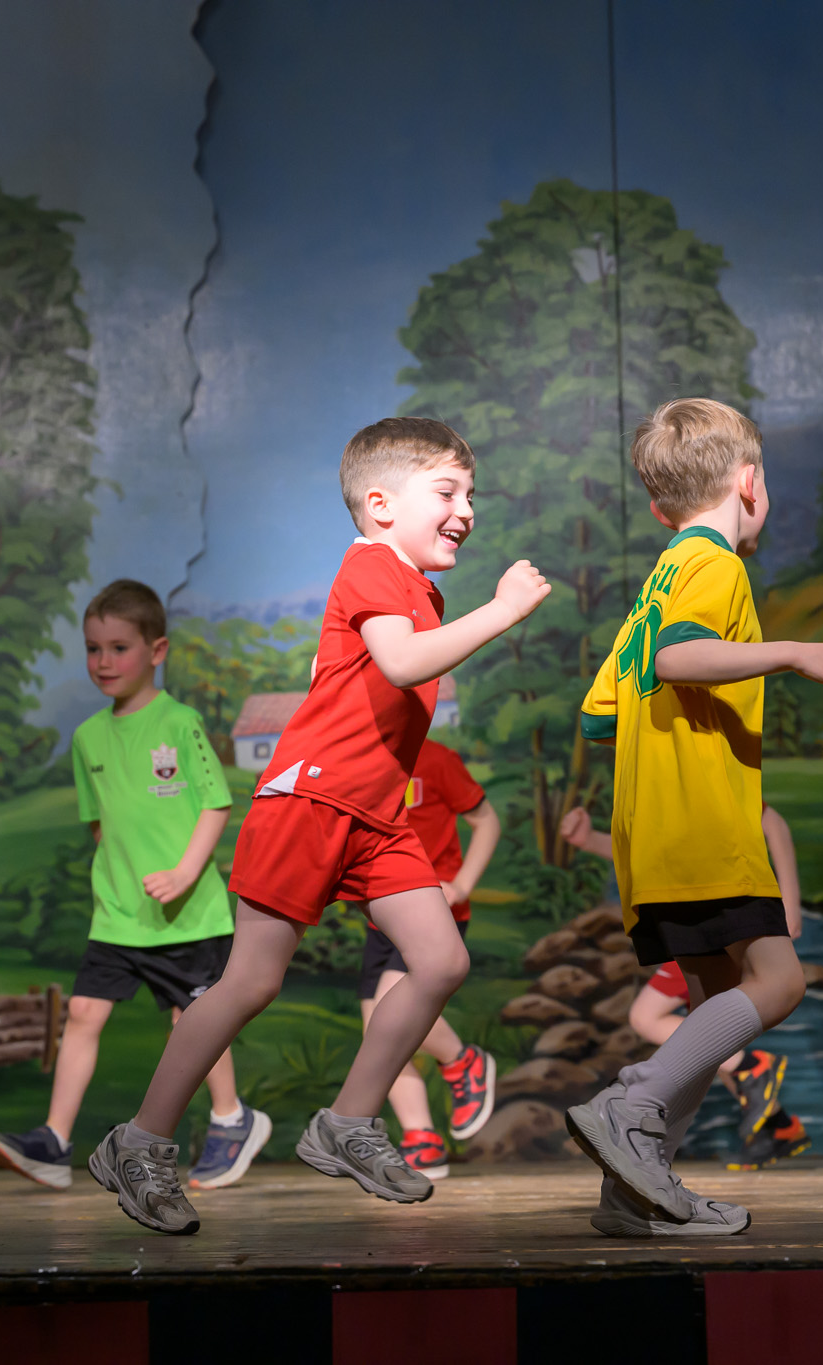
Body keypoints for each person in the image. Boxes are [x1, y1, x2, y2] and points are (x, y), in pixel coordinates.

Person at [90, 417, 550, 1235]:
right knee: (250, 983)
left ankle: (348, 1120)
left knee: (442, 959)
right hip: (311, 802)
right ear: (381, 503)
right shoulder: (372, 563)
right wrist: (504, 610)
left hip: (379, 814)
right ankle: (140, 1140)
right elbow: (402, 662)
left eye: (471, 494)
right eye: (448, 491)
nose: (467, 510)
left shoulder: (416, 588)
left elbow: (346, 673)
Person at [569, 396, 823, 1237]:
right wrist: (794, 651)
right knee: (781, 981)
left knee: (715, 1009)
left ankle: (635, 1190)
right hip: (703, 825)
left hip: (651, 839)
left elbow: (598, 713)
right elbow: (675, 657)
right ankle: (634, 1106)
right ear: (750, 482)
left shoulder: (659, 578)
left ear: (659, 506)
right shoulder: (713, 562)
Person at [0, 580, 269, 1194]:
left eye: (118, 648)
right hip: (116, 915)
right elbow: (100, 824)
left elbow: (216, 804)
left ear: (157, 650)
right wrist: (117, 881)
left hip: (187, 916)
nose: (103, 662)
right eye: (93, 649)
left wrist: (184, 874)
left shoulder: (181, 723)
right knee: (83, 1013)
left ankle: (231, 1119)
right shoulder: (88, 738)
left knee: (193, 1020)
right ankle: (54, 1141)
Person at [559, 802, 811, 1169]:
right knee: (705, 1023)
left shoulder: (697, 778)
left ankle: (748, 1067)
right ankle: (777, 1124)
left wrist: (790, 902)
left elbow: (771, 819)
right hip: (690, 909)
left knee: (653, 1016)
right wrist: (590, 840)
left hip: (716, 910)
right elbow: (650, 850)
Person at [355, 735, 500, 1178]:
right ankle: (422, 1136)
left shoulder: (435, 759)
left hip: (433, 908)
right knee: (377, 1030)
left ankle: (463, 1061)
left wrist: (463, 885)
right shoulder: (357, 762)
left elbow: (487, 821)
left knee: (392, 1008)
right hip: (381, 914)